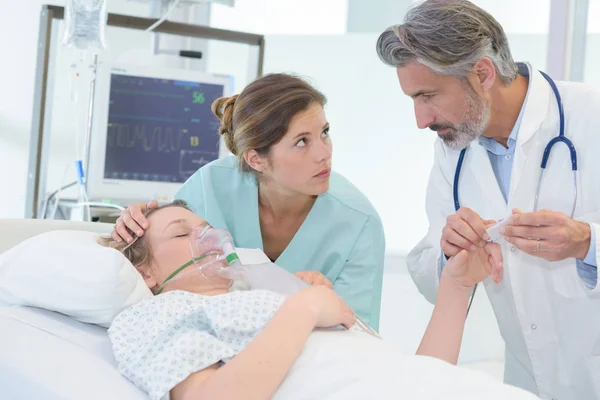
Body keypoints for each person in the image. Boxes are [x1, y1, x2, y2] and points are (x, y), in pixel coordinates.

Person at [376, 0, 600, 398]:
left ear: (482, 73)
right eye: (413, 99)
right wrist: (450, 252)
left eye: (428, 95)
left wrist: (586, 242)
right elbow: (434, 280)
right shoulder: (454, 150)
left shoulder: (590, 116)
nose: (420, 120)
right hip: (527, 379)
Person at [101, 201, 538, 400]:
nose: (206, 236)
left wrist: (456, 288)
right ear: (146, 272)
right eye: (181, 233)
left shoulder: (266, 295)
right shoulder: (154, 313)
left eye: (205, 224)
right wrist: (304, 308)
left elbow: (417, 379)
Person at [110, 73, 385, 329]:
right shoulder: (208, 188)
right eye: (302, 141)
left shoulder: (358, 223)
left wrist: (318, 301)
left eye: (324, 132)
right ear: (256, 159)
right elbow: (155, 275)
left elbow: (358, 334)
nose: (324, 153)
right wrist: (136, 228)